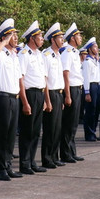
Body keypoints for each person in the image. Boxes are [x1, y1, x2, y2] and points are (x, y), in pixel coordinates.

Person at [0, 19, 25, 180]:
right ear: (5, 38)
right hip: (2, 98)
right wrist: (3, 41)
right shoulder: (1, 54)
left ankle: (8, 165)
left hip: (14, 98)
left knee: (10, 136)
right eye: (12, 36)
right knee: (1, 135)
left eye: (16, 36)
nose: (15, 38)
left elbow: (19, 79)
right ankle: (0, 169)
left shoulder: (14, 57)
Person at [18, 20, 49, 174]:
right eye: (40, 37)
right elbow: (21, 79)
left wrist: (44, 98)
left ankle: (32, 161)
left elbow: (43, 78)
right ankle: (24, 164)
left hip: (39, 94)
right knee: (27, 131)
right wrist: (24, 102)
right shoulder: (24, 54)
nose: (42, 39)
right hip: (29, 94)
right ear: (32, 38)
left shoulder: (39, 55)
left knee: (36, 131)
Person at [60, 23, 85, 162]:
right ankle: (65, 153)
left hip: (77, 88)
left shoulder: (75, 52)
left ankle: (71, 151)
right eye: (79, 35)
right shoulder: (68, 53)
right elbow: (65, 74)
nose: (81, 38)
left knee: (74, 123)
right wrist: (68, 95)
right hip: (71, 90)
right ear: (72, 38)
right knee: (68, 123)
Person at [41, 23, 65, 167]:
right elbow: (45, 80)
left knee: (57, 128)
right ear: (52, 39)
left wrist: (61, 98)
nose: (62, 40)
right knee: (50, 128)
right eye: (60, 38)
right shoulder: (47, 55)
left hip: (59, 94)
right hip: (50, 93)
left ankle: (55, 156)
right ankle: (47, 158)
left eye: (62, 38)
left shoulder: (58, 55)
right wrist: (47, 100)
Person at [81, 36, 100, 141]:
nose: (97, 49)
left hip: (97, 85)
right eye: (95, 47)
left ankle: (93, 131)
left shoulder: (95, 61)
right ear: (89, 49)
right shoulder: (87, 61)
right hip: (91, 86)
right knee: (90, 111)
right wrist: (87, 92)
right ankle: (89, 133)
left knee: (96, 110)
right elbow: (86, 78)